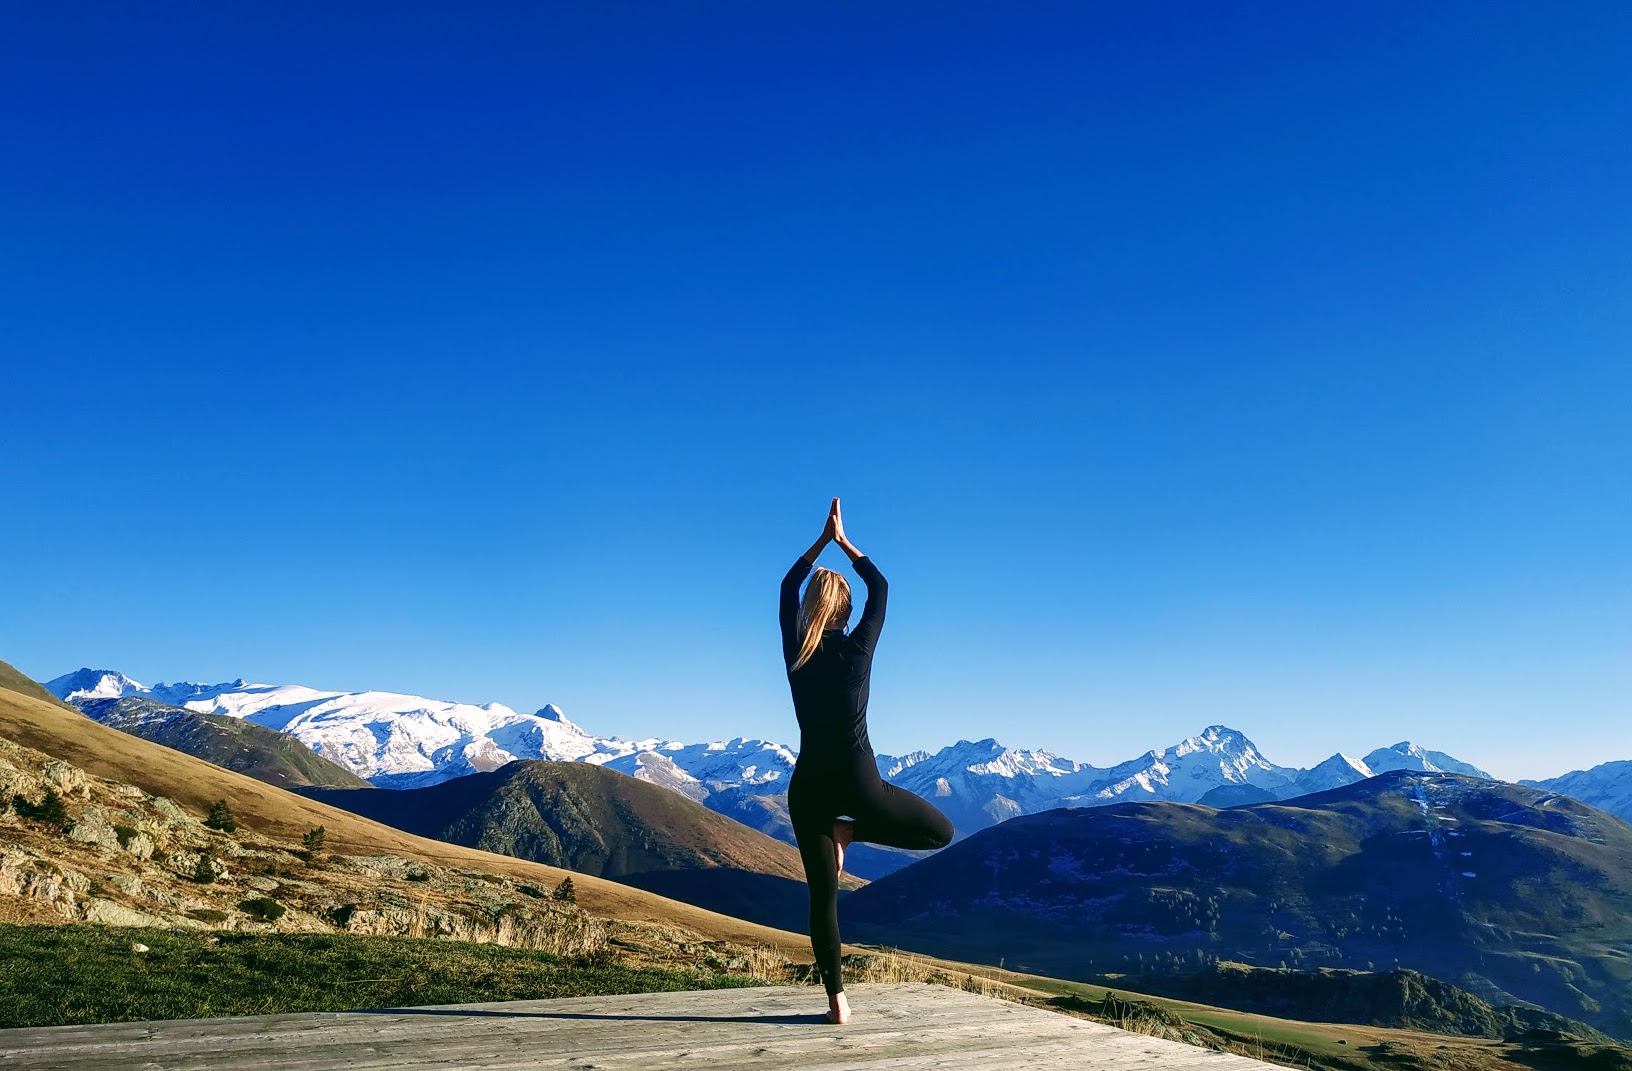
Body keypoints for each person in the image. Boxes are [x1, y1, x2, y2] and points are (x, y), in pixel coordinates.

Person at [779, 497, 954, 1025]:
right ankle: (848, 833)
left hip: (808, 787)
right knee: (940, 833)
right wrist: (845, 541)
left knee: (823, 901)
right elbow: (882, 587)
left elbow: (787, 587)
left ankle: (836, 1002)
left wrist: (819, 543)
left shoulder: (797, 653)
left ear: (811, 608)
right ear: (847, 613)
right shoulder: (858, 651)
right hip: (860, 787)